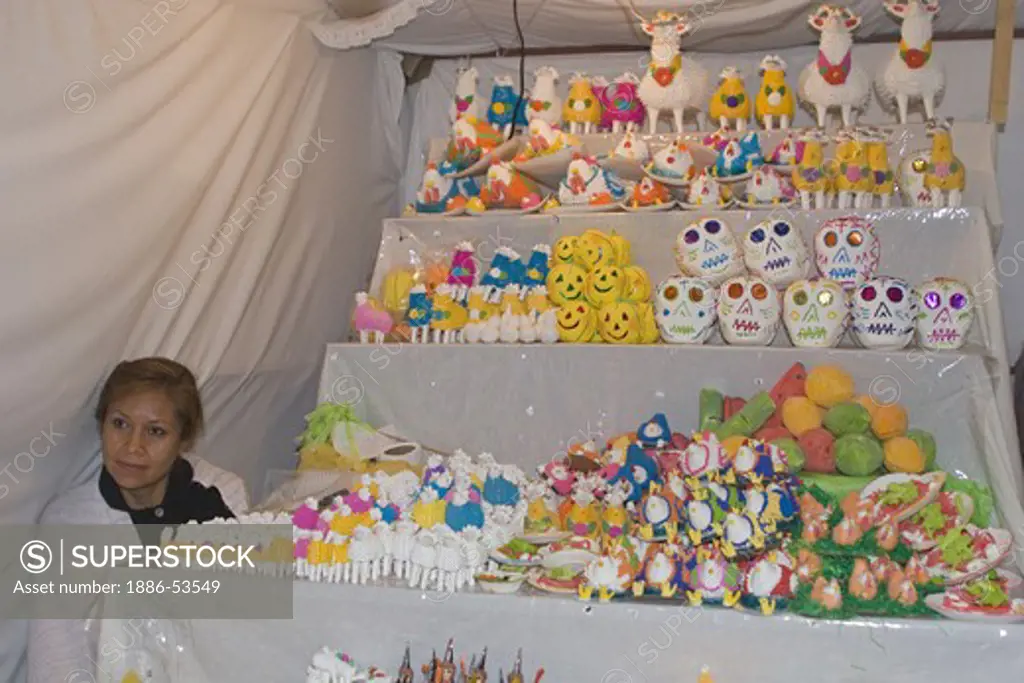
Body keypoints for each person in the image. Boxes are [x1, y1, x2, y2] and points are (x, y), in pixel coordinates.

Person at [27, 357, 249, 683]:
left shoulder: (222, 496)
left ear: (183, 440)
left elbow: (244, 633)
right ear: (101, 425)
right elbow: (56, 659)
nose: (133, 446)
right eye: (120, 424)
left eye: (155, 432)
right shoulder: (68, 522)